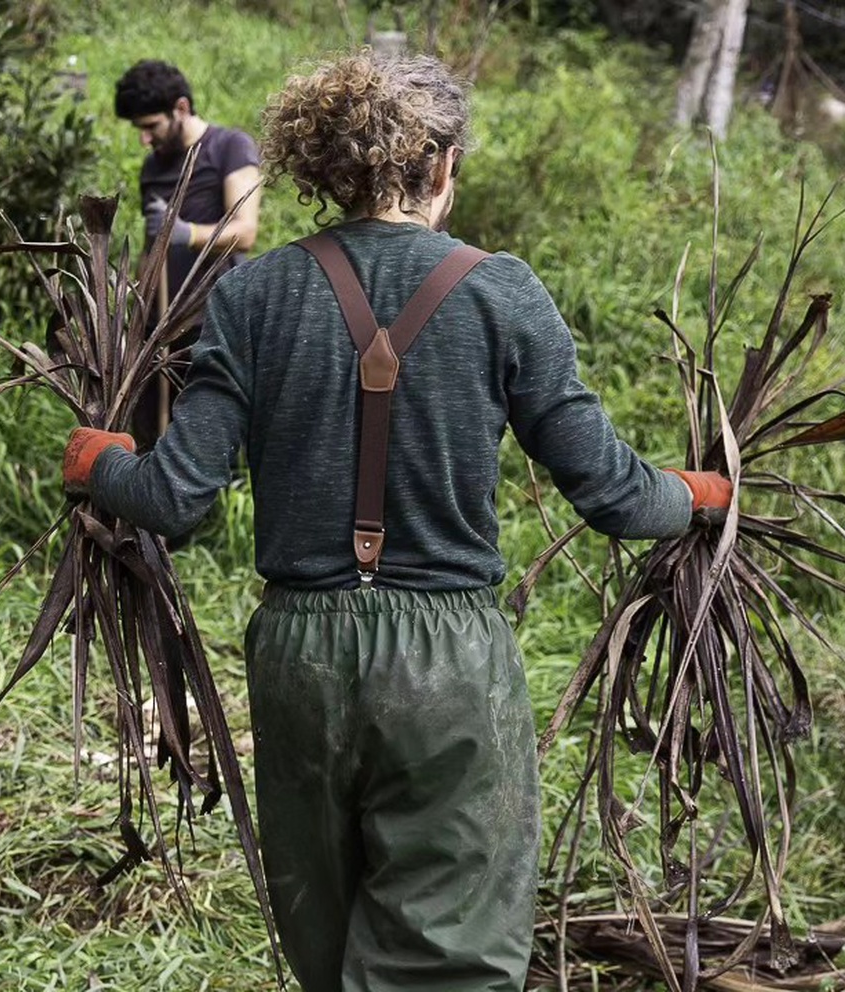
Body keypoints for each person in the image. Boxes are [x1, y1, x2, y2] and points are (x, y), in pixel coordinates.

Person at [63, 52, 732, 992]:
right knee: (446, 955)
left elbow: (174, 499)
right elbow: (619, 497)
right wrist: (705, 494)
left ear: (323, 168)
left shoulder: (251, 294)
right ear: (443, 165)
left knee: (328, 941)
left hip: (297, 660)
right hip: (447, 664)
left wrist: (100, 462)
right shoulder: (505, 294)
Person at [114, 59, 262, 445]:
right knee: (148, 433)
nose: (144, 139)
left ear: (180, 108)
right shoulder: (152, 166)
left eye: (151, 127)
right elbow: (151, 246)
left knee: (202, 437)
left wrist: (186, 233)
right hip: (155, 324)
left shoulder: (230, 147)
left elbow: (246, 231)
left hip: (208, 324)